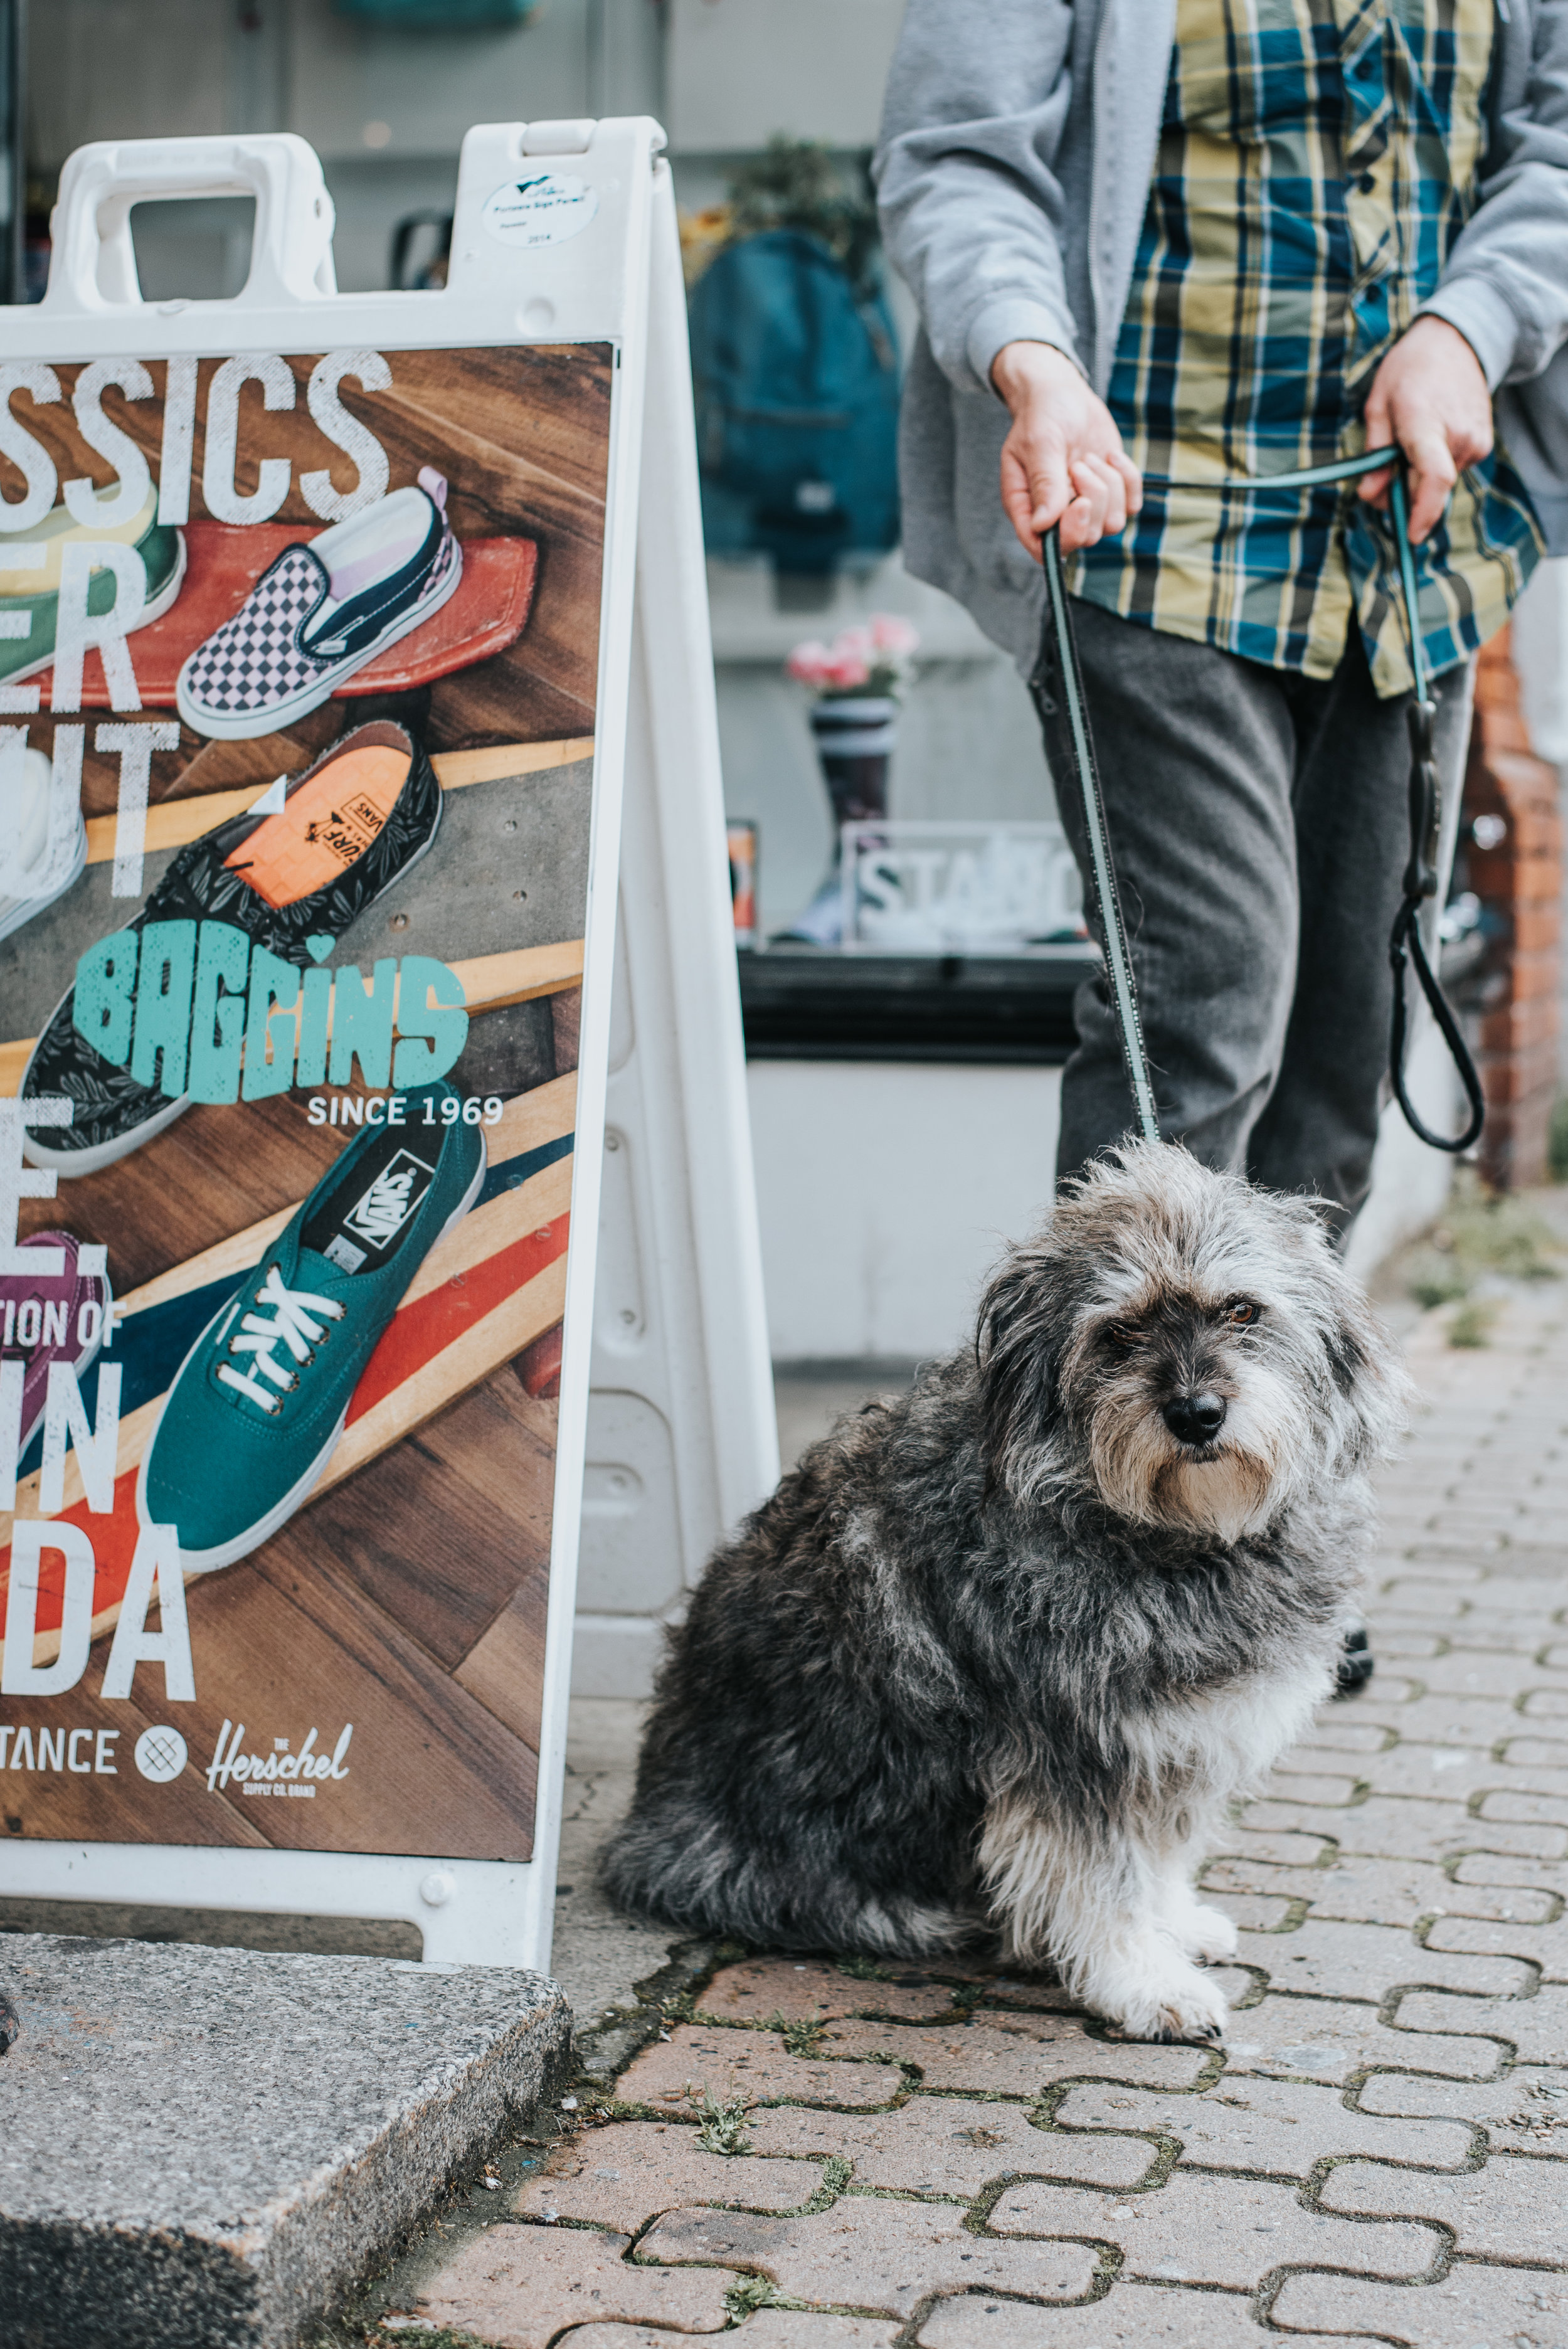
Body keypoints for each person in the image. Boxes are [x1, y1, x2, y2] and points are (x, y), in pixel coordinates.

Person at [874, 0, 1568, 1233]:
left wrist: (1469, 328)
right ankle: (1095, 1425)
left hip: (1410, 554)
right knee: (1201, 1011)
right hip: (1142, 533)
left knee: (1337, 1065)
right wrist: (1033, 361)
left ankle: (1281, 1428)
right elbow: (960, 158)